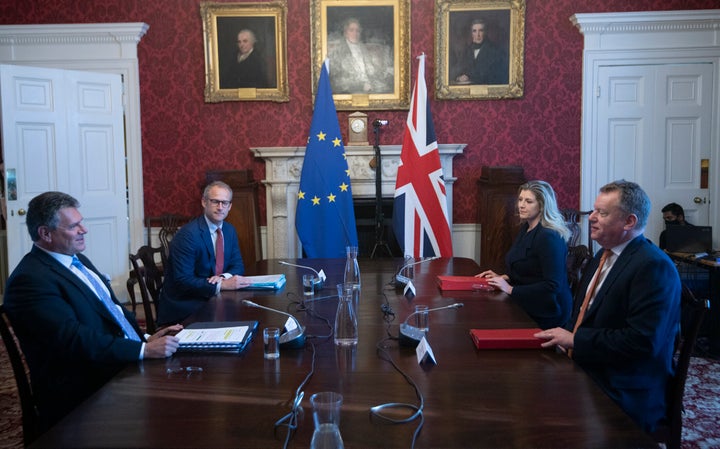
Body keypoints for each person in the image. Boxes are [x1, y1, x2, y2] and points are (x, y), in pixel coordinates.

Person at [3, 191, 182, 432]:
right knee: (176, 415)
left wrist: (146, 338)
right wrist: (141, 350)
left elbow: (113, 311)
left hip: (111, 365)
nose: (84, 230)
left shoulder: (78, 260)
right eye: (74, 226)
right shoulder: (30, 280)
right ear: (45, 233)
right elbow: (73, 339)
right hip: (84, 388)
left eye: (81, 222)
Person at [535, 180, 681, 434]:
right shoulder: (602, 256)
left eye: (602, 213)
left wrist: (576, 341)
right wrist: (565, 338)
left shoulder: (652, 267)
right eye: (594, 210)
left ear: (629, 222)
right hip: (592, 363)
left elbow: (642, 342)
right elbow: (582, 316)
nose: (591, 218)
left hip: (625, 383)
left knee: (542, 419)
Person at [476, 180, 573, 329]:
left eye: (528, 201)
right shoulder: (527, 227)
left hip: (548, 312)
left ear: (542, 205)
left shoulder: (548, 236)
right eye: (520, 199)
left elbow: (552, 285)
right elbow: (531, 269)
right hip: (528, 302)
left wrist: (510, 289)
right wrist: (504, 278)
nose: (521, 205)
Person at [157, 181, 250, 325]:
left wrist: (222, 278)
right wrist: (222, 285)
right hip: (186, 307)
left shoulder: (229, 230)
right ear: (204, 202)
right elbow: (183, 281)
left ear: (230, 206)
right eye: (215, 202)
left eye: (225, 203)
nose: (220, 207)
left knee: (247, 316)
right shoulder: (187, 235)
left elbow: (238, 265)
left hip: (210, 299)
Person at [327, 17, 394, 94]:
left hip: (370, 85)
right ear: (345, 33)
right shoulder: (339, 51)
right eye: (351, 30)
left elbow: (370, 69)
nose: (355, 33)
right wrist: (361, 85)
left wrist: (385, 72)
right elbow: (337, 80)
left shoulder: (362, 47)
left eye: (357, 31)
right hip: (351, 90)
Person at [453, 18, 508, 85]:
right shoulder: (467, 51)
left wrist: (469, 76)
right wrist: (459, 78)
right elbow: (456, 70)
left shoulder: (495, 51)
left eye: (481, 31)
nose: (477, 35)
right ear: (471, 34)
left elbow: (492, 76)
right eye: (474, 31)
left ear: (485, 32)